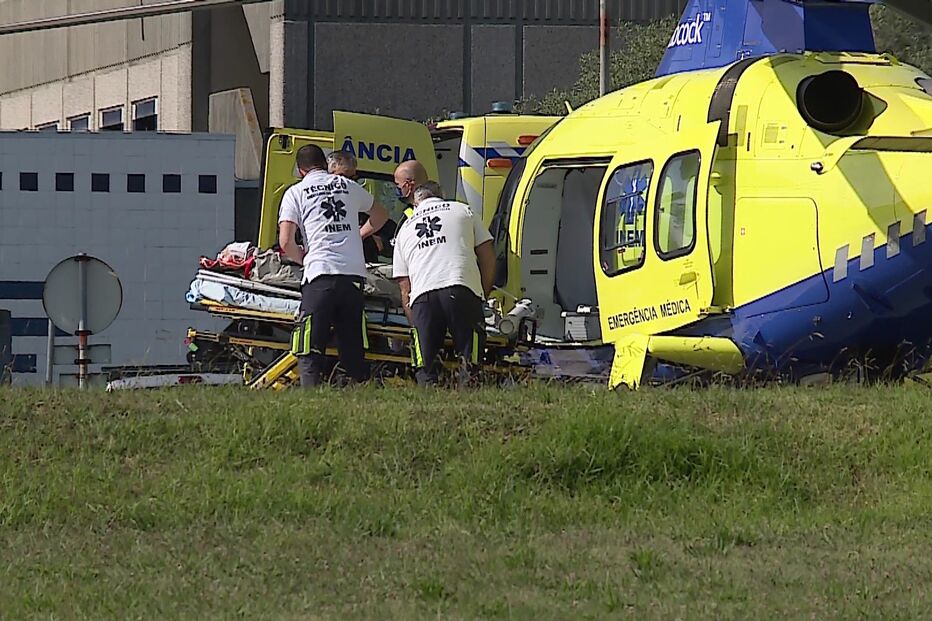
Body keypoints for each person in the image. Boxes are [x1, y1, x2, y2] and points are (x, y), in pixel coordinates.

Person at [278, 144, 390, 387]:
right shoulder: (349, 186)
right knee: (351, 341)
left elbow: (285, 240)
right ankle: (358, 390)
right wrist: (357, 235)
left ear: (300, 170)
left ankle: (311, 392)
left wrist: (303, 258)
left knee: (310, 341)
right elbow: (381, 214)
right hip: (352, 275)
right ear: (324, 164)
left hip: (320, 274)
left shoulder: (296, 192)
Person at [392, 181, 496, 386]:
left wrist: (417, 324)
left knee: (426, 366)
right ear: (442, 195)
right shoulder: (463, 210)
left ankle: (428, 404)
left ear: (415, 201)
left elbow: (405, 286)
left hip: (423, 295)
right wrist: (482, 293)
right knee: (471, 359)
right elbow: (488, 256)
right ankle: (470, 398)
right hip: (461, 286)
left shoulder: (404, 229)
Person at [328, 150, 397, 262]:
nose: (346, 183)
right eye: (341, 177)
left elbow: (393, 240)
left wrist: (363, 237)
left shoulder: (365, 212)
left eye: (352, 178)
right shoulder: (316, 208)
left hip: (362, 271)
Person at [392, 160, 430, 238]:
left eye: (397, 184)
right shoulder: (409, 211)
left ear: (408, 185)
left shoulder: (421, 212)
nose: (396, 188)